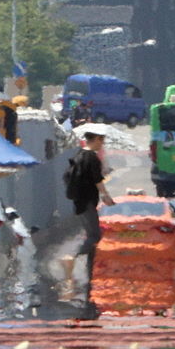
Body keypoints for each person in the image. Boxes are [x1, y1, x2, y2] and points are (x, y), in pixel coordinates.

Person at [62, 129, 114, 314]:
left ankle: (88, 263)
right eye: (102, 140)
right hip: (88, 201)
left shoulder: (79, 155)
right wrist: (106, 196)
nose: (102, 144)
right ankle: (73, 256)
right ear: (96, 139)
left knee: (91, 234)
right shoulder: (91, 157)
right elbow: (97, 180)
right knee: (95, 235)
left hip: (80, 201)